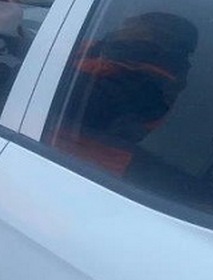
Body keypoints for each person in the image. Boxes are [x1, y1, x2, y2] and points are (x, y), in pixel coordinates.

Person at [50, 11, 198, 176]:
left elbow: (56, 92)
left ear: (150, 36)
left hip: (71, 167)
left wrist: (17, 48)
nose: (126, 19)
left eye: (137, 21)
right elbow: (57, 51)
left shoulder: (149, 89)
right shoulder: (113, 51)